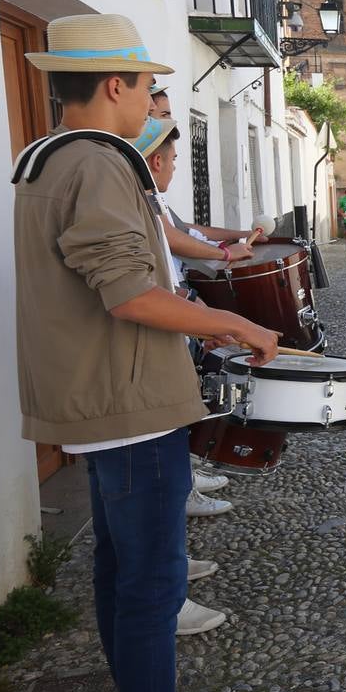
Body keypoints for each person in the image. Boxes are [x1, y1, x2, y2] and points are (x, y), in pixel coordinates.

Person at [14, 13, 278, 692]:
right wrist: (235, 323)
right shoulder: (99, 162)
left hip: (98, 398)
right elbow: (129, 294)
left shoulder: (50, 155)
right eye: (144, 87)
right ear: (113, 85)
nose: (150, 104)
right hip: (128, 403)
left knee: (120, 570)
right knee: (154, 583)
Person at [131, 116, 235, 638]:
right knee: (156, 485)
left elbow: (167, 279)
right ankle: (165, 598)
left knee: (168, 476)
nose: (175, 167)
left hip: (160, 348)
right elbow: (138, 290)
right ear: (155, 160)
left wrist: (201, 316)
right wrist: (223, 322)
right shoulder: (130, 195)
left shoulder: (144, 197)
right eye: (173, 159)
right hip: (140, 371)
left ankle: (170, 570)